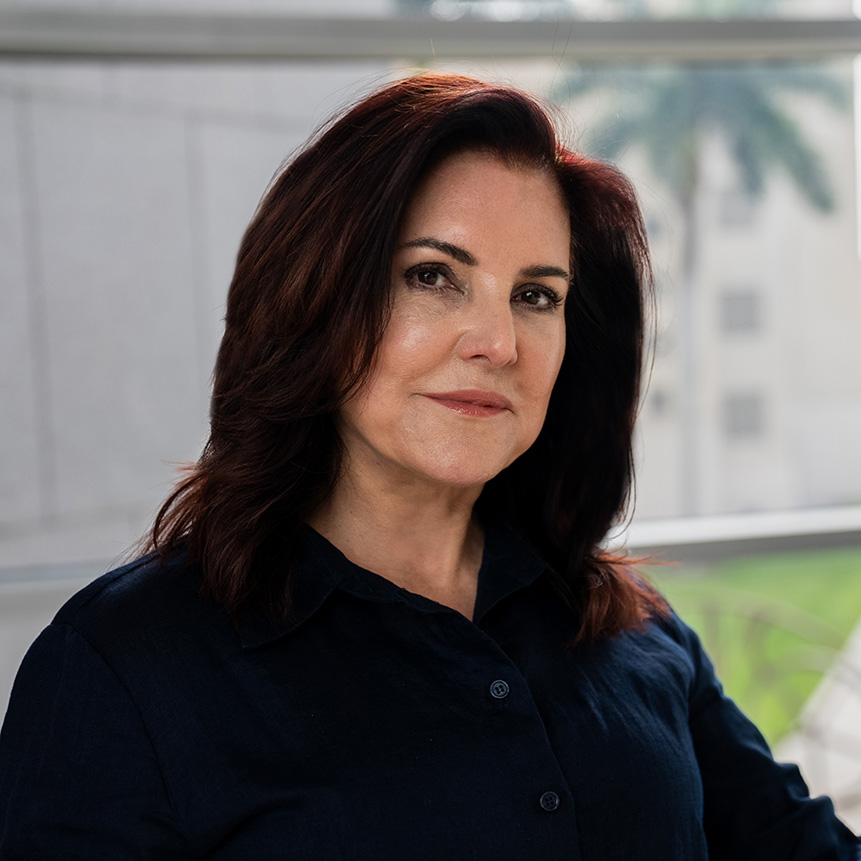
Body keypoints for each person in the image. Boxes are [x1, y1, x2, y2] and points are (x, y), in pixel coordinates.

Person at [0, 73, 857, 860]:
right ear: (315, 294)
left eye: (536, 295)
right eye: (432, 276)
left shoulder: (634, 632)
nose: (496, 343)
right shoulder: (120, 668)